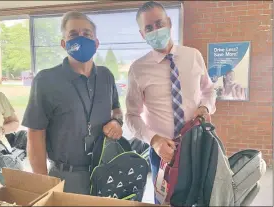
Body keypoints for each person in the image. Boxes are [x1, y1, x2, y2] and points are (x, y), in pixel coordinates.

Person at [22, 11, 123, 195]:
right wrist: (43, 183)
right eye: (73, 34)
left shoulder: (106, 76)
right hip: (65, 177)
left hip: (104, 171)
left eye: (87, 34)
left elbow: (117, 109)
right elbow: (35, 134)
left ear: (96, 43)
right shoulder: (46, 80)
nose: (81, 38)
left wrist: (117, 122)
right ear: (64, 43)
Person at [125, 1, 216, 203]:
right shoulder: (138, 69)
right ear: (142, 34)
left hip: (196, 145)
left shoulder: (193, 56)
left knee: (200, 198)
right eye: (149, 28)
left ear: (169, 22)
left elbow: (209, 90)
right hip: (162, 152)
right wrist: (153, 140)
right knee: (166, 201)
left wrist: (204, 107)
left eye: (159, 23)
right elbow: (131, 116)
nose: (155, 30)